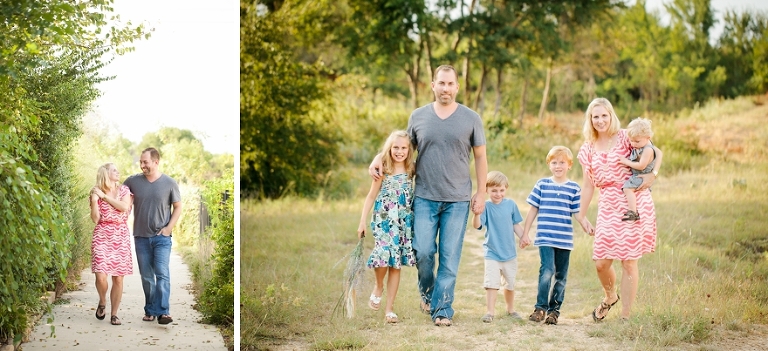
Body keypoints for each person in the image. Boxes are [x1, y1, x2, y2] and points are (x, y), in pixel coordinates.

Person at [369, 64, 487, 326]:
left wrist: (481, 192)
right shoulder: (418, 117)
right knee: (422, 251)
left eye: (450, 84)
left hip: (457, 199)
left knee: (449, 255)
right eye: (441, 83)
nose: (445, 88)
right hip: (423, 197)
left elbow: (480, 156)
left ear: (457, 86)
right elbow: (400, 146)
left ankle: (443, 308)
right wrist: (378, 157)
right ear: (433, 85)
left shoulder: (471, 118)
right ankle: (427, 293)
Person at [575, 98, 662, 321]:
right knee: (601, 262)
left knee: (629, 261)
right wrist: (581, 214)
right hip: (607, 204)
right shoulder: (587, 148)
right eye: (596, 116)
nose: (601, 120)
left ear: (611, 115)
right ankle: (610, 297)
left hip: (633, 200)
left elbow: (655, 150)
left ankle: (625, 316)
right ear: (590, 119)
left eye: (605, 115)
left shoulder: (625, 136)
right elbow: (588, 185)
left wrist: (653, 174)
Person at [357, 130, 417, 324]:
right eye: (396, 147)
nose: (399, 151)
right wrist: (362, 221)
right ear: (389, 148)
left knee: (396, 264)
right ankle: (378, 285)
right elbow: (371, 196)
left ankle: (389, 309)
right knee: (383, 254)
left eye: (403, 148)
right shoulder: (383, 167)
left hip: (402, 222)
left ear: (409, 150)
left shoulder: (412, 169)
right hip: (383, 220)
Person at [522, 146, 581, 325]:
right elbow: (533, 210)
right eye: (554, 162)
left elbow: (578, 212)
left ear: (569, 165)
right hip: (545, 237)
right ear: (549, 164)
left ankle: (554, 311)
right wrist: (525, 233)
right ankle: (540, 308)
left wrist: (586, 224)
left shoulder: (574, 188)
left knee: (561, 276)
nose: (558, 166)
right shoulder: (542, 185)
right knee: (546, 270)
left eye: (562, 162)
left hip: (564, 240)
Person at [123, 147, 182, 325]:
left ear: (156, 162)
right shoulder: (132, 182)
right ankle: (150, 310)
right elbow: (117, 194)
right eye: (141, 162)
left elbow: (178, 206)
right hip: (141, 237)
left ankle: (163, 312)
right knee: (147, 276)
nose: (142, 165)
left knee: (162, 273)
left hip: (161, 238)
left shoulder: (170, 183)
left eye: (145, 162)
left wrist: (168, 229)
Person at [471, 171, 529, 323]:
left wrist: (524, 236)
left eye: (501, 190)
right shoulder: (486, 207)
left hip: (510, 254)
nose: (498, 194)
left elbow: (515, 224)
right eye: (494, 190)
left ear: (506, 189)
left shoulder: (511, 205)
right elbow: (477, 226)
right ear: (487, 190)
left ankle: (510, 309)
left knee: (510, 284)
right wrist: (476, 214)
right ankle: (490, 312)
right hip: (492, 253)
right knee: (492, 284)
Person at [89, 163, 133, 326]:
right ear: (106, 173)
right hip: (102, 233)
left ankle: (114, 314)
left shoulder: (124, 190)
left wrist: (105, 197)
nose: (118, 172)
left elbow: (124, 207)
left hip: (120, 235)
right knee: (100, 276)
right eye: (114, 170)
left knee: (118, 279)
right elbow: (95, 219)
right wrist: (95, 200)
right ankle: (102, 301)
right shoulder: (96, 191)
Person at [619, 117, 657, 222]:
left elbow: (641, 166)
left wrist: (626, 161)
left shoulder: (648, 150)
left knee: (627, 189)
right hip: (638, 175)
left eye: (637, 141)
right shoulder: (641, 145)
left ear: (648, 137)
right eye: (631, 141)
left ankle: (633, 212)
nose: (633, 144)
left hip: (641, 176)